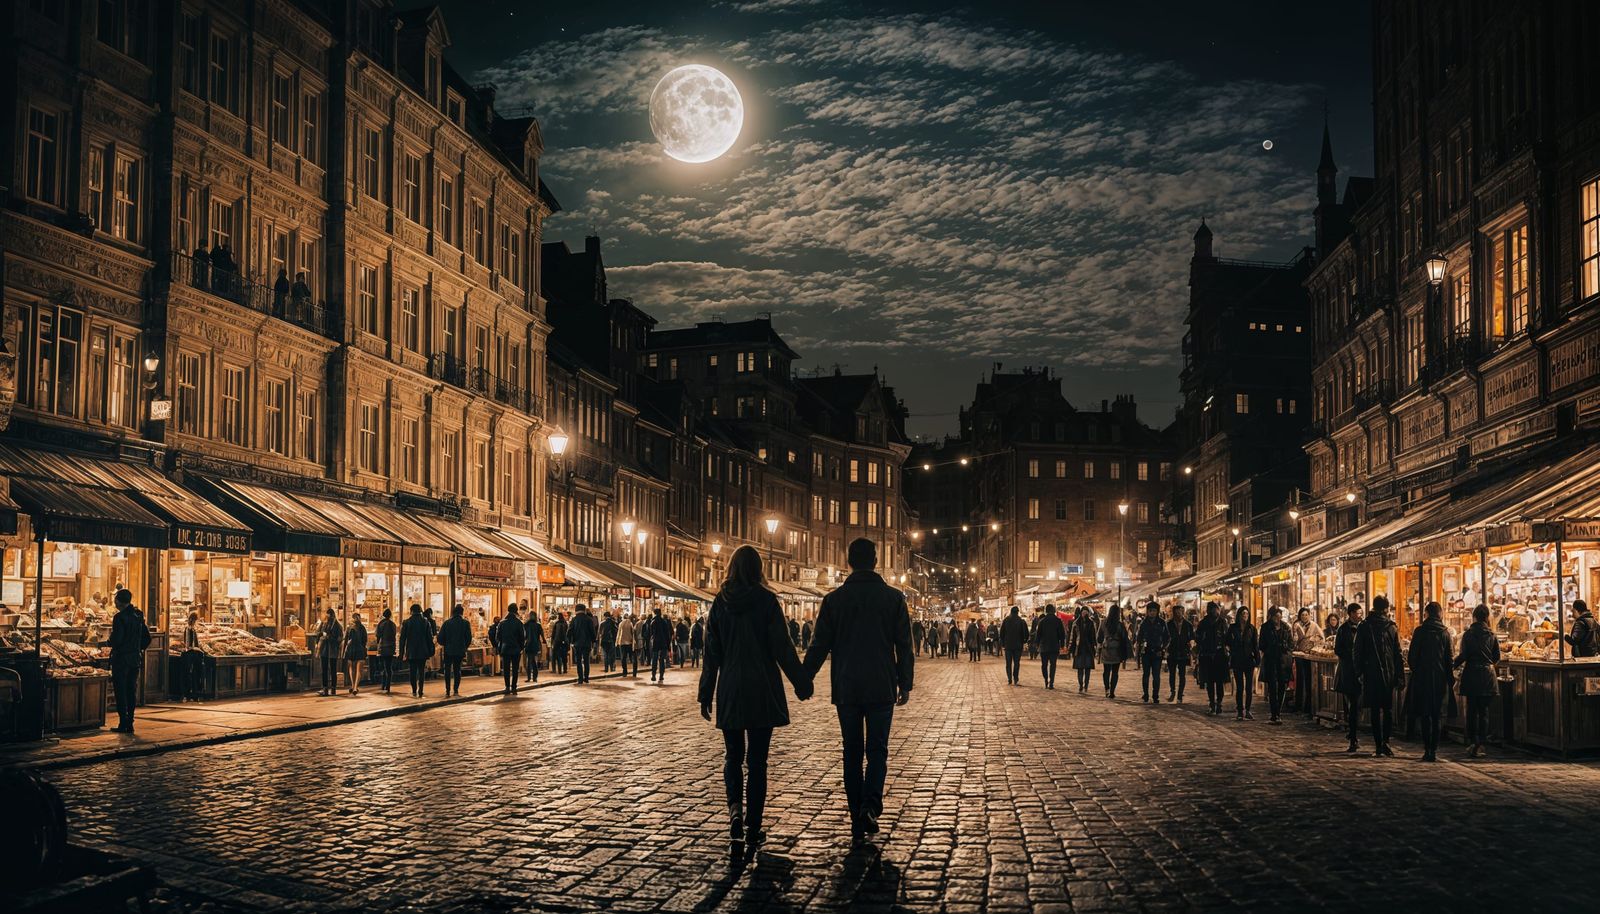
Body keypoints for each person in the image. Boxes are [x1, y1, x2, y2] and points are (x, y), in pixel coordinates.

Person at [698, 545, 814, 853]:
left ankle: (734, 810)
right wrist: (802, 683)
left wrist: (706, 692)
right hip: (762, 687)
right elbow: (783, 648)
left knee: (733, 757)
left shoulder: (720, 602)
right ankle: (754, 825)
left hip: (732, 688)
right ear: (758, 568)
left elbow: (712, 652)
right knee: (758, 762)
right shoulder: (766, 601)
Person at [802, 538, 914, 843]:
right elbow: (904, 645)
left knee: (851, 751)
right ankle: (870, 806)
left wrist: (804, 678)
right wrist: (905, 681)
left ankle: (856, 813)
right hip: (881, 685)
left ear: (848, 561)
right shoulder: (894, 599)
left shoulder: (834, 600)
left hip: (848, 685)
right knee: (877, 750)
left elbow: (819, 644)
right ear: (875, 560)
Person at [1355, 596, 1404, 757]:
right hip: (1388, 674)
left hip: (1371, 673)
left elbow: (1358, 652)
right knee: (1388, 709)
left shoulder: (1364, 626)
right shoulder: (1391, 627)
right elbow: (1398, 653)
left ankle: (1378, 744)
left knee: (1375, 710)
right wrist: (1399, 675)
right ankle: (1386, 742)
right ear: (1386, 609)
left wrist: (1360, 672)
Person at [1406, 601, 1454, 762]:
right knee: (1437, 715)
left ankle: (1427, 749)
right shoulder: (1445, 633)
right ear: (1440, 614)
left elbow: (1412, 657)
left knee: (1426, 715)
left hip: (1422, 678)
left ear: (1426, 614)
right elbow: (1449, 659)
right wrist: (1449, 678)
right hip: (1440, 679)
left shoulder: (1420, 631)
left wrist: (1417, 670)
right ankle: (1434, 749)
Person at [1454, 604, 1500, 758]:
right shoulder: (1492, 635)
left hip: (1472, 674)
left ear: (1474, 617)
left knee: (1472, 711)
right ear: (1487, 618)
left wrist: (1451, 664)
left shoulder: (1468, 635)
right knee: (1484, 712)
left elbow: (1463, 656)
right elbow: (1497, 658)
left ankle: (1472, 743)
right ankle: (1482, 744)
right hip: (1487, 675)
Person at [106, 589, 152, 733]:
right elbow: (147, 638)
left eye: (115, 600)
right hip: (134, 659)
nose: (114, 602)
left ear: (119, 601)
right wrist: (138, 649)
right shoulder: (138, 615)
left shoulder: (119, 617)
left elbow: (117, 639)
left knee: (120, 691)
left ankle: (122, 723)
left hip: (121, 659)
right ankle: (130, 722)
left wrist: (109, 642)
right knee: (131, 690)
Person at [1333, 603, 1364, 751]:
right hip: (1348, 672)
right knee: (1352, 705)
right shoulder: (1343, 630)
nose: (1360, 615)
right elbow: (1337, 649)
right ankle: (1353, 736)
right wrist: (1351, 656)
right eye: (1358, 613)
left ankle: (1353, 733)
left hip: (1361, 673)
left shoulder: (1364, 628)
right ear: (1351, 613)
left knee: (1356, 706)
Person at [1258, 607, 1294, 724]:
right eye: (1275, 617)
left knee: (1282, 686)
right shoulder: (1265, 627)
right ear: (1271, 616)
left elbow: (1291, 643)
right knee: (1272, 687)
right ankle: (1275, 713)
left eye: (1279, 617)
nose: (1277, 619)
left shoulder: (1286, 627)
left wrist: (1286, 648)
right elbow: (1261, 644)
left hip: (1283, 661)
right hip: (1271, 660)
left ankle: (1278, 711)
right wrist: (1270, 648)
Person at [1195, 602, 1229, 715]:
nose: (1215, 611)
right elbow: (1198, 638)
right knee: (1210, 682)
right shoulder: (1203, 623)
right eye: (1213, 609)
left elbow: (1227, 637)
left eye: (1217, 609)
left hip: (1220, 655)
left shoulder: (1222, 622)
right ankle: (1212, 704)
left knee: (1219, 682)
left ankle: (1219, 702)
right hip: (1207, 655)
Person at [1227, 606, 1259, 721]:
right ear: (1239, 615)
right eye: (1243, 613)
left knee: (1249, 687)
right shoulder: (1233, 628)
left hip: (1249, 661)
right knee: (1239, 687)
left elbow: (1255, 646)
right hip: (1237, 660)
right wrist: (1231, 650)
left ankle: (1248, 710)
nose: (1245, 615)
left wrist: (1257, 661)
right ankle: (1240, 711)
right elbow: (1227, 641)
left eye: (1246, 613)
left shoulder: (1252, 629)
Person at [1291, 607, 1323, 714]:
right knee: (1300, 679)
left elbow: (1321, 636)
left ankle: (1308, 706)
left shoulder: (1313, 625)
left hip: (1310, 654)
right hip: (1299, 654)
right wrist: (1297, 633)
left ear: (1309, 615)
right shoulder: (1296, 625)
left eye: (1306, 614)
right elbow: (1294, 640)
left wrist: (1313, 640)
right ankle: (1298, 705)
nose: (1304, 616)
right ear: (1300, 616)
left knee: (1309, 679)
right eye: (1302, 615)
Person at [1135, 602, 1168, 703]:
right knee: (1146, 674)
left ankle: (1155, 695)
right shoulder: (1144, 623)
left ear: (1157, 611)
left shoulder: (1162, 623)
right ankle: (1145, 694)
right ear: (1147, 611)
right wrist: (1139, 650)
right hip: (1146, 652)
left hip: (1157, 652)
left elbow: (1167, 637)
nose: (1152, 613)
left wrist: (1162, 648)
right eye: (1150, 611)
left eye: (1154, 611)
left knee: (1156, 675)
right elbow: (1139, 638)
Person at [399, 603, 434, 697]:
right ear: (420, 611)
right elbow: (429, 638)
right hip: (423, 651)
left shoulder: (406, 622)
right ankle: (421, 690)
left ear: (411, 611)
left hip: (411, 651)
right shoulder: (426, 622)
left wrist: (401, 653)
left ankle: (414, 689)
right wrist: (431, 650)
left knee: (412, 671)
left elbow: (402, 639)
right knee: (421, 671)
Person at [436, 604, 473, 697]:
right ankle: (456, 690)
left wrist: (446, 644)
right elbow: (469, 638)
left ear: (453, 612)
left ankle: (447, 690)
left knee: (447, 670)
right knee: (457, 670)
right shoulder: (465, 623)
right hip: (460, 650)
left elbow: (440, 638)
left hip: (448, 650)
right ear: (462, 613)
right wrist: (464, 646)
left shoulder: (447, 623)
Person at [1097, 604, 1128, 698]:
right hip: (1117, 649)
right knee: (1115, 672)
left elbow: (1099, 638)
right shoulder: (1120, 624)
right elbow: (1124, 638)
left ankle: (1107, 689)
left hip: (1106, 648)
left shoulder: (1103, 623)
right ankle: (1112, 691)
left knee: (1106, 671)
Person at [1165, 604, 1194, 703]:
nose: (1178, 613)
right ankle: (1173, 691)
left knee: (1182, 675)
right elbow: (1165, 637)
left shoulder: (1188, 624)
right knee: (1172, 674)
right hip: (1172, 652)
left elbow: (1192, 637)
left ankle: (1180, 695)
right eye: (1176, 611)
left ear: (1183, 612)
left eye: (1180, 611)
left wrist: (1190, 646)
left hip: (1183, 652)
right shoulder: (1168, 624)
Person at [496, 604, 526, 694]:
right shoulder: (519, 623)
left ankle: (507, 687)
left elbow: (498, 637)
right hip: (516, 649)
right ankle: (514, 687)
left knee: (506, 669)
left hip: (505, 649)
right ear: (516, 611)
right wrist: (521, 647)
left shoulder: (502, 623)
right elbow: (522, 637)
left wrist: (501, 646)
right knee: (515, 669)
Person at [1068, 606, 1098, 693]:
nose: (1084, 614)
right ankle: (1081, 684)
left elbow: (1094, 637)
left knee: (1088, 669)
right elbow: (1072, 637)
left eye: (1086, 612)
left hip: (1088, 649)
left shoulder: (1092, 623)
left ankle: (1086, 685)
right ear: (1081, 613)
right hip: (1079, 648)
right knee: (1080, 668)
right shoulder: (1076, 623)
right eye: (1083, 612)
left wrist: (1095, 647)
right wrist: (1071, 648)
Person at [315, 608, 343, 697]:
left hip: (325, 650)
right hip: (332, 651)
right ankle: (333, 689)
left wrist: (324, 636)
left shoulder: (324, 624)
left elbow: (318, 633)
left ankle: (325, 689)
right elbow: (340, 638)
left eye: (327, 614)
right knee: (333, 670)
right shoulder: (338, 625)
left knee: (325, 670)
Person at [999, 606, 1028, 685]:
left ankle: (1009, 679)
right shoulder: (1021, 621)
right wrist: (1024, 641)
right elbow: (1025, 633)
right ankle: (1015, 678)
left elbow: (1001, 633)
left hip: (1008, 645)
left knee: (1008, 663)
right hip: (1018, 646)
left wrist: (1003, 643)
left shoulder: (1006, 620)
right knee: (1016, 663)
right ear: (1018, 612)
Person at [180, 610, 205, 701]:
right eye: (195, 620)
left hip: (192, 654)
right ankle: (189, 694)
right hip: (190, 654)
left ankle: (193, 693)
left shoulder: (191, 629)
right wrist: (196, 648)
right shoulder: (189, 629)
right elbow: (188, 645)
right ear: (193, 620)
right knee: (190, 674)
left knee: (192, 674)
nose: (196, 622)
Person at [570, 603, 597, 684]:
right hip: (587, 644)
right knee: (586, 661)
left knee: (578, 661)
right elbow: (593, 632)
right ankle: (586, 678)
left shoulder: (574, 620)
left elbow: (569, 631)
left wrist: (571, 641)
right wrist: (593, 641)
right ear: (584, 610)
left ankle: (580, 678)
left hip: (577, 644)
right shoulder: (589, 619)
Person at [343, 612, 368, 695]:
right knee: (358, 670)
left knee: (351, 669)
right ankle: (355, 687)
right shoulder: (362, 628)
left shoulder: (349, 627)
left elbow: (345, 640)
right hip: (360, 650)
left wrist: (343, 652)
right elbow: (365, 640)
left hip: (350, 650)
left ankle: (353, 685)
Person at [522, 606, 544, 683]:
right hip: (535, 644)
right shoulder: (538, 625)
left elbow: (523, 635)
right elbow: (542, 635)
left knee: (529, 661)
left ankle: (529, 677)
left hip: (528, 644)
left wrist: (522, 642)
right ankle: (534, 677)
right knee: (533, 661)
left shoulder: (526, 624)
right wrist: (543, 641)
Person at [618, 613, 637, 677]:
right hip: (630, 643)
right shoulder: (631, 624)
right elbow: (633, 633)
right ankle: (634, 672)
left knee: (623, 657)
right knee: (633, 657)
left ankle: (624, 672)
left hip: (622, 643)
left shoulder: (621, 624)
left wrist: (617, 642)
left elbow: (619, 633)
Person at [550, 611, 569, 675]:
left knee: (555, 656)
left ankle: (555, 669)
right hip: (564, 642)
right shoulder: (565, 623)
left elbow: (553, 633)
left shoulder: (557, 623)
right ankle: (565, 669)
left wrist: (552, 642)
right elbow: (567, 633)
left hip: (557, 641)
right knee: (564, 656)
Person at [632, 608, 649, 676]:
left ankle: (641, 661)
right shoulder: (646, 623)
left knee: (640, 650)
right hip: (644, 638)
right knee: (643, 650)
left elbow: (634, 631)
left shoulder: (638, 623)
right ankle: (643, 661)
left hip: (639, 638)